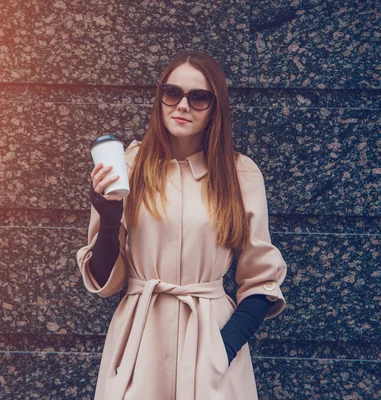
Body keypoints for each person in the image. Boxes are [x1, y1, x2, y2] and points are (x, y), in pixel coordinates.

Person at [76, 49, 288, 400]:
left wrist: (223, 346)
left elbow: (262, 279)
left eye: (199, 97)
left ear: (215, 106)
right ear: (159, 99)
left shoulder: (240, 174)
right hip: (139, 341)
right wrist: (109, 220)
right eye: (172, 93)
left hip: (211, 339)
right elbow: (102, 279)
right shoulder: (128, 165)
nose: (182, 105)